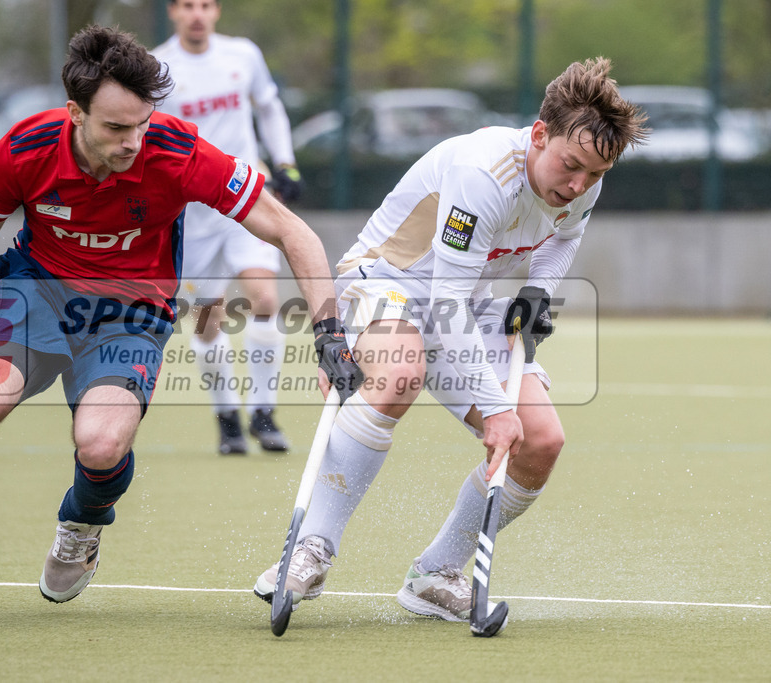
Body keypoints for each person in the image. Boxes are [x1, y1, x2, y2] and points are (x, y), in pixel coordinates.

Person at [0, 25, 360, 629]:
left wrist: (329, 333)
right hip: (35, 295)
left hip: (131, 313)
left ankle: (82, 522)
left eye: (142, 123)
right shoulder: (27, 148)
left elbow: (293, 231)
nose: (133, 140)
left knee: (102, 447)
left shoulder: (178, 152)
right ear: (74, 113)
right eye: (115, 128)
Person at [253, 57, 648, 628]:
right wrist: (494, 410)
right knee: (399, 373)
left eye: (594, 173)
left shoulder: (583, 174)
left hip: (460, 299)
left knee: (540, 441)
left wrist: (539, 290)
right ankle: (310, 551)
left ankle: (435, 575)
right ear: (540, 135)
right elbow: (444, 304)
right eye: (571, 166)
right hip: (385, 283)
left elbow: (565, 236)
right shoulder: (483, 174)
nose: (579, 185)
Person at [152, 0, 304, 455]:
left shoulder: (243, 55)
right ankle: (227, 418)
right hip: (193, 213)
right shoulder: (159, 66)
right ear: (173, 12)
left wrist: (285, 163)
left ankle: (263, 413)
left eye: (205, 4)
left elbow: (270, 107)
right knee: (208, 318)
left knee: (264, 298)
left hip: (245, 197)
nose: (196, 13)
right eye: (186, 5)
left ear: (216, 11)